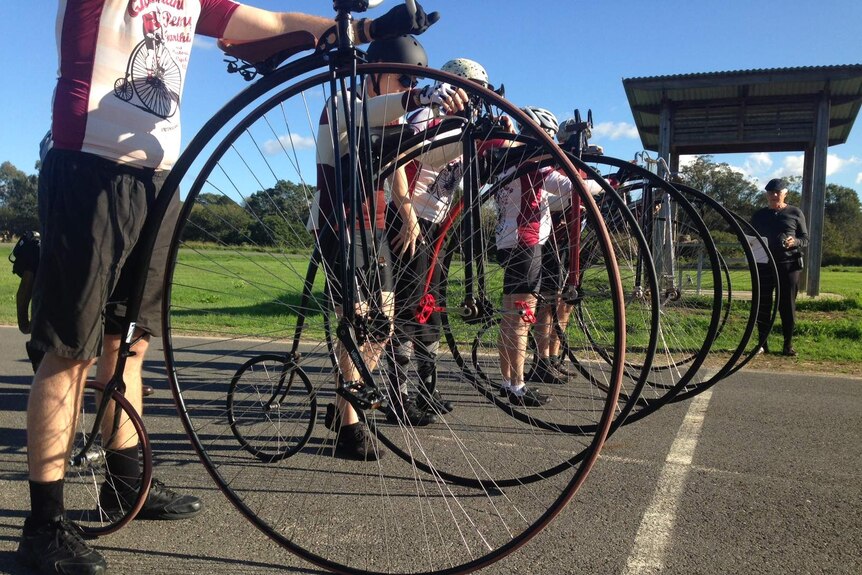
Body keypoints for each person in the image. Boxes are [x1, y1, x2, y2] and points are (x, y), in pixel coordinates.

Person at [19, 2, 441, 574]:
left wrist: (367, 32)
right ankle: (43, 525)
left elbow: (265, 25)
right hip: (90, 165)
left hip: (157, 177)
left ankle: (125, 483)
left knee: (130, 340)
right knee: (71, 348)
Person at [312, 35, 469, 455]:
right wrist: (418, 96)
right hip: (339, 224)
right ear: (377, 71)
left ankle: (343, 402)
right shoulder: (343, 101)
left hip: (376, 224)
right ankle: (350, 426)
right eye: (401, 79)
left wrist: (474, 135)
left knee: (381, 325)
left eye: (409, 81)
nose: (404, 87)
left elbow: (414, 160)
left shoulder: (392, 115)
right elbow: (366, 115)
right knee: (356, 322)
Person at [383, 57, 493, 419]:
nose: (477, 102)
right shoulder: (425, 116)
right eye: (474, 93)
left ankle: (426, 391)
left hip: (437, 223)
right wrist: (407, 215)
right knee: (407, 305)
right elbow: (395, 158)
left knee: (430, 306)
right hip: (410, 219)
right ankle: (399, 398)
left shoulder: (461, 125)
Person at [494, 106, 577, 407]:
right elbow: (573, 188)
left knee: (513, 317)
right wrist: (615, 183)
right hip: (526, 244)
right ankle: (516, 386)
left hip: (509, 241)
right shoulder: (534, 167)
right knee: (520, 318)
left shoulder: (510, 163)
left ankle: (508, 382)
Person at [751, 178, 809, 357]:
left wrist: (795, 241)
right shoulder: (759, 215)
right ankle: (762, 344)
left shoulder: (795, 212)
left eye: (778, 192)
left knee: (787, 304)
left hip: (789, 265)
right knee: (763, 303)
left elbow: (805, 239)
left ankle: (787, 344)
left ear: (785, 193)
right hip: (764, 265)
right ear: (766, 195)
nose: (774, 195)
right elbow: (750, 237)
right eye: (770, 193)